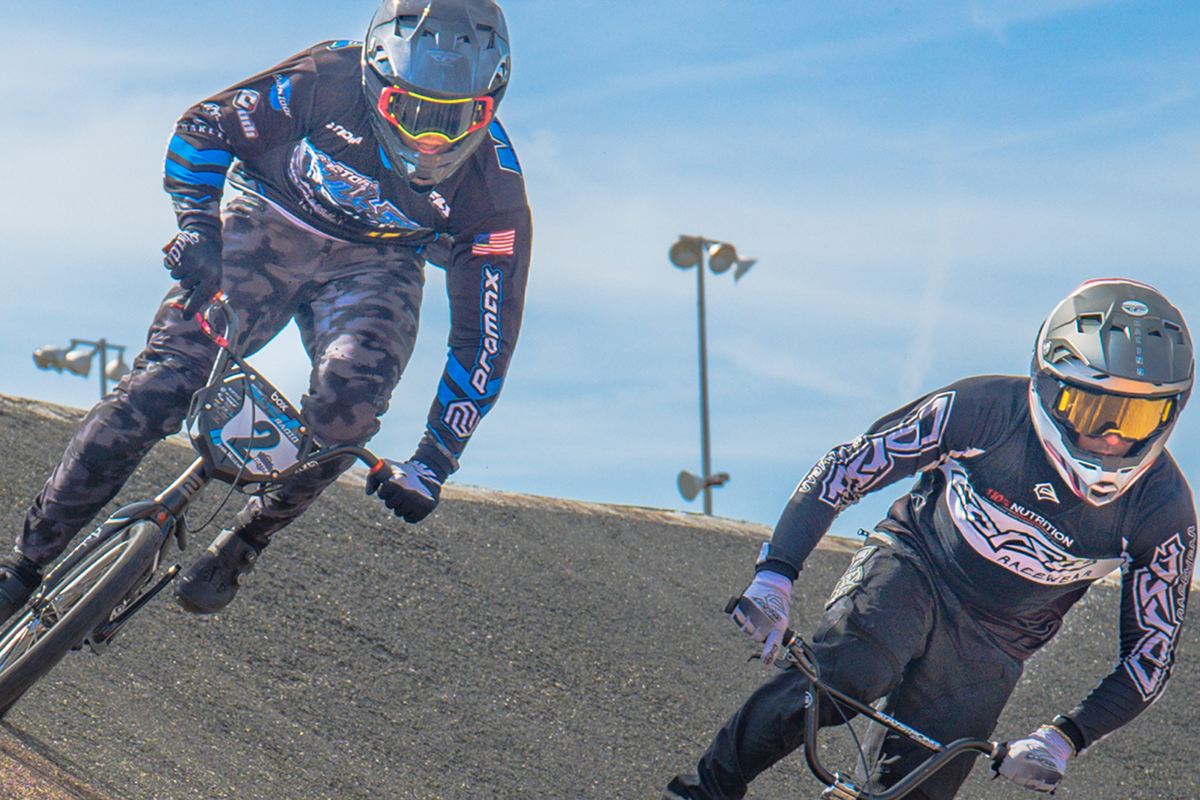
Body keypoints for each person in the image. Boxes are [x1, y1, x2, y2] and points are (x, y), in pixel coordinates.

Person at [0, 0, 530, 620]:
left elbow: (485, 338)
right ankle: (23, 564)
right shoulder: (325, 77)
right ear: (373, 80)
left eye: (457, 118)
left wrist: (433, 463)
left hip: (377, 267)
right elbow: (203, 129)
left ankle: (246, 541)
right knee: (163, 383)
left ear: (491, 106)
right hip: (268, 218)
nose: (430, 138)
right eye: (408, 110)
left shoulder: (495, 200)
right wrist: (197, 228)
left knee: (347, 413)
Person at [665, 279, 1196, 800]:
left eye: (1139, 414)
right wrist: (775, 575)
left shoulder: (1165, 512)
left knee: (917, 790)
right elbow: (843, 470)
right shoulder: (982, 408)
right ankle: (702, 791)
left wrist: (1063, 738)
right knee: (847, 675)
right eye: (1095, 408)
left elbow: (1149, 659)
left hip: (997, 643)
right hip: (914, 566)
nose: (1112, 436)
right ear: (1050, 386)